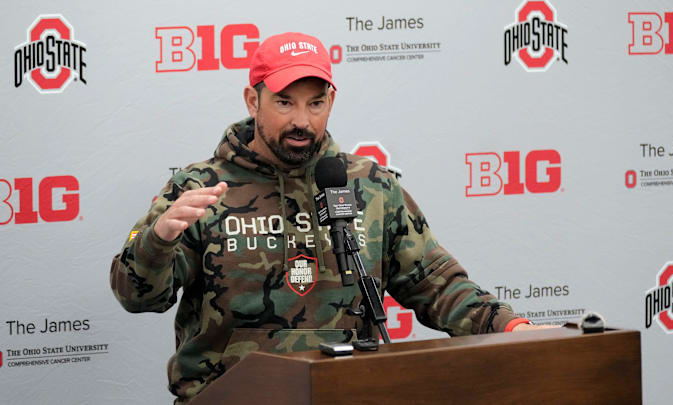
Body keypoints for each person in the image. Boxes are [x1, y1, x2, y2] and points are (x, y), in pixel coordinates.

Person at [110, 32, 542, 404]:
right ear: (252, 100)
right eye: (284, 102)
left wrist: (512, 326)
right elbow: (136, 295)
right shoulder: (199, 187)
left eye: (316, 103)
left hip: (348, 393)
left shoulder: (370, 186)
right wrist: (157, 242)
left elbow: (437, 284)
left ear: (331, 101)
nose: (302, 120)